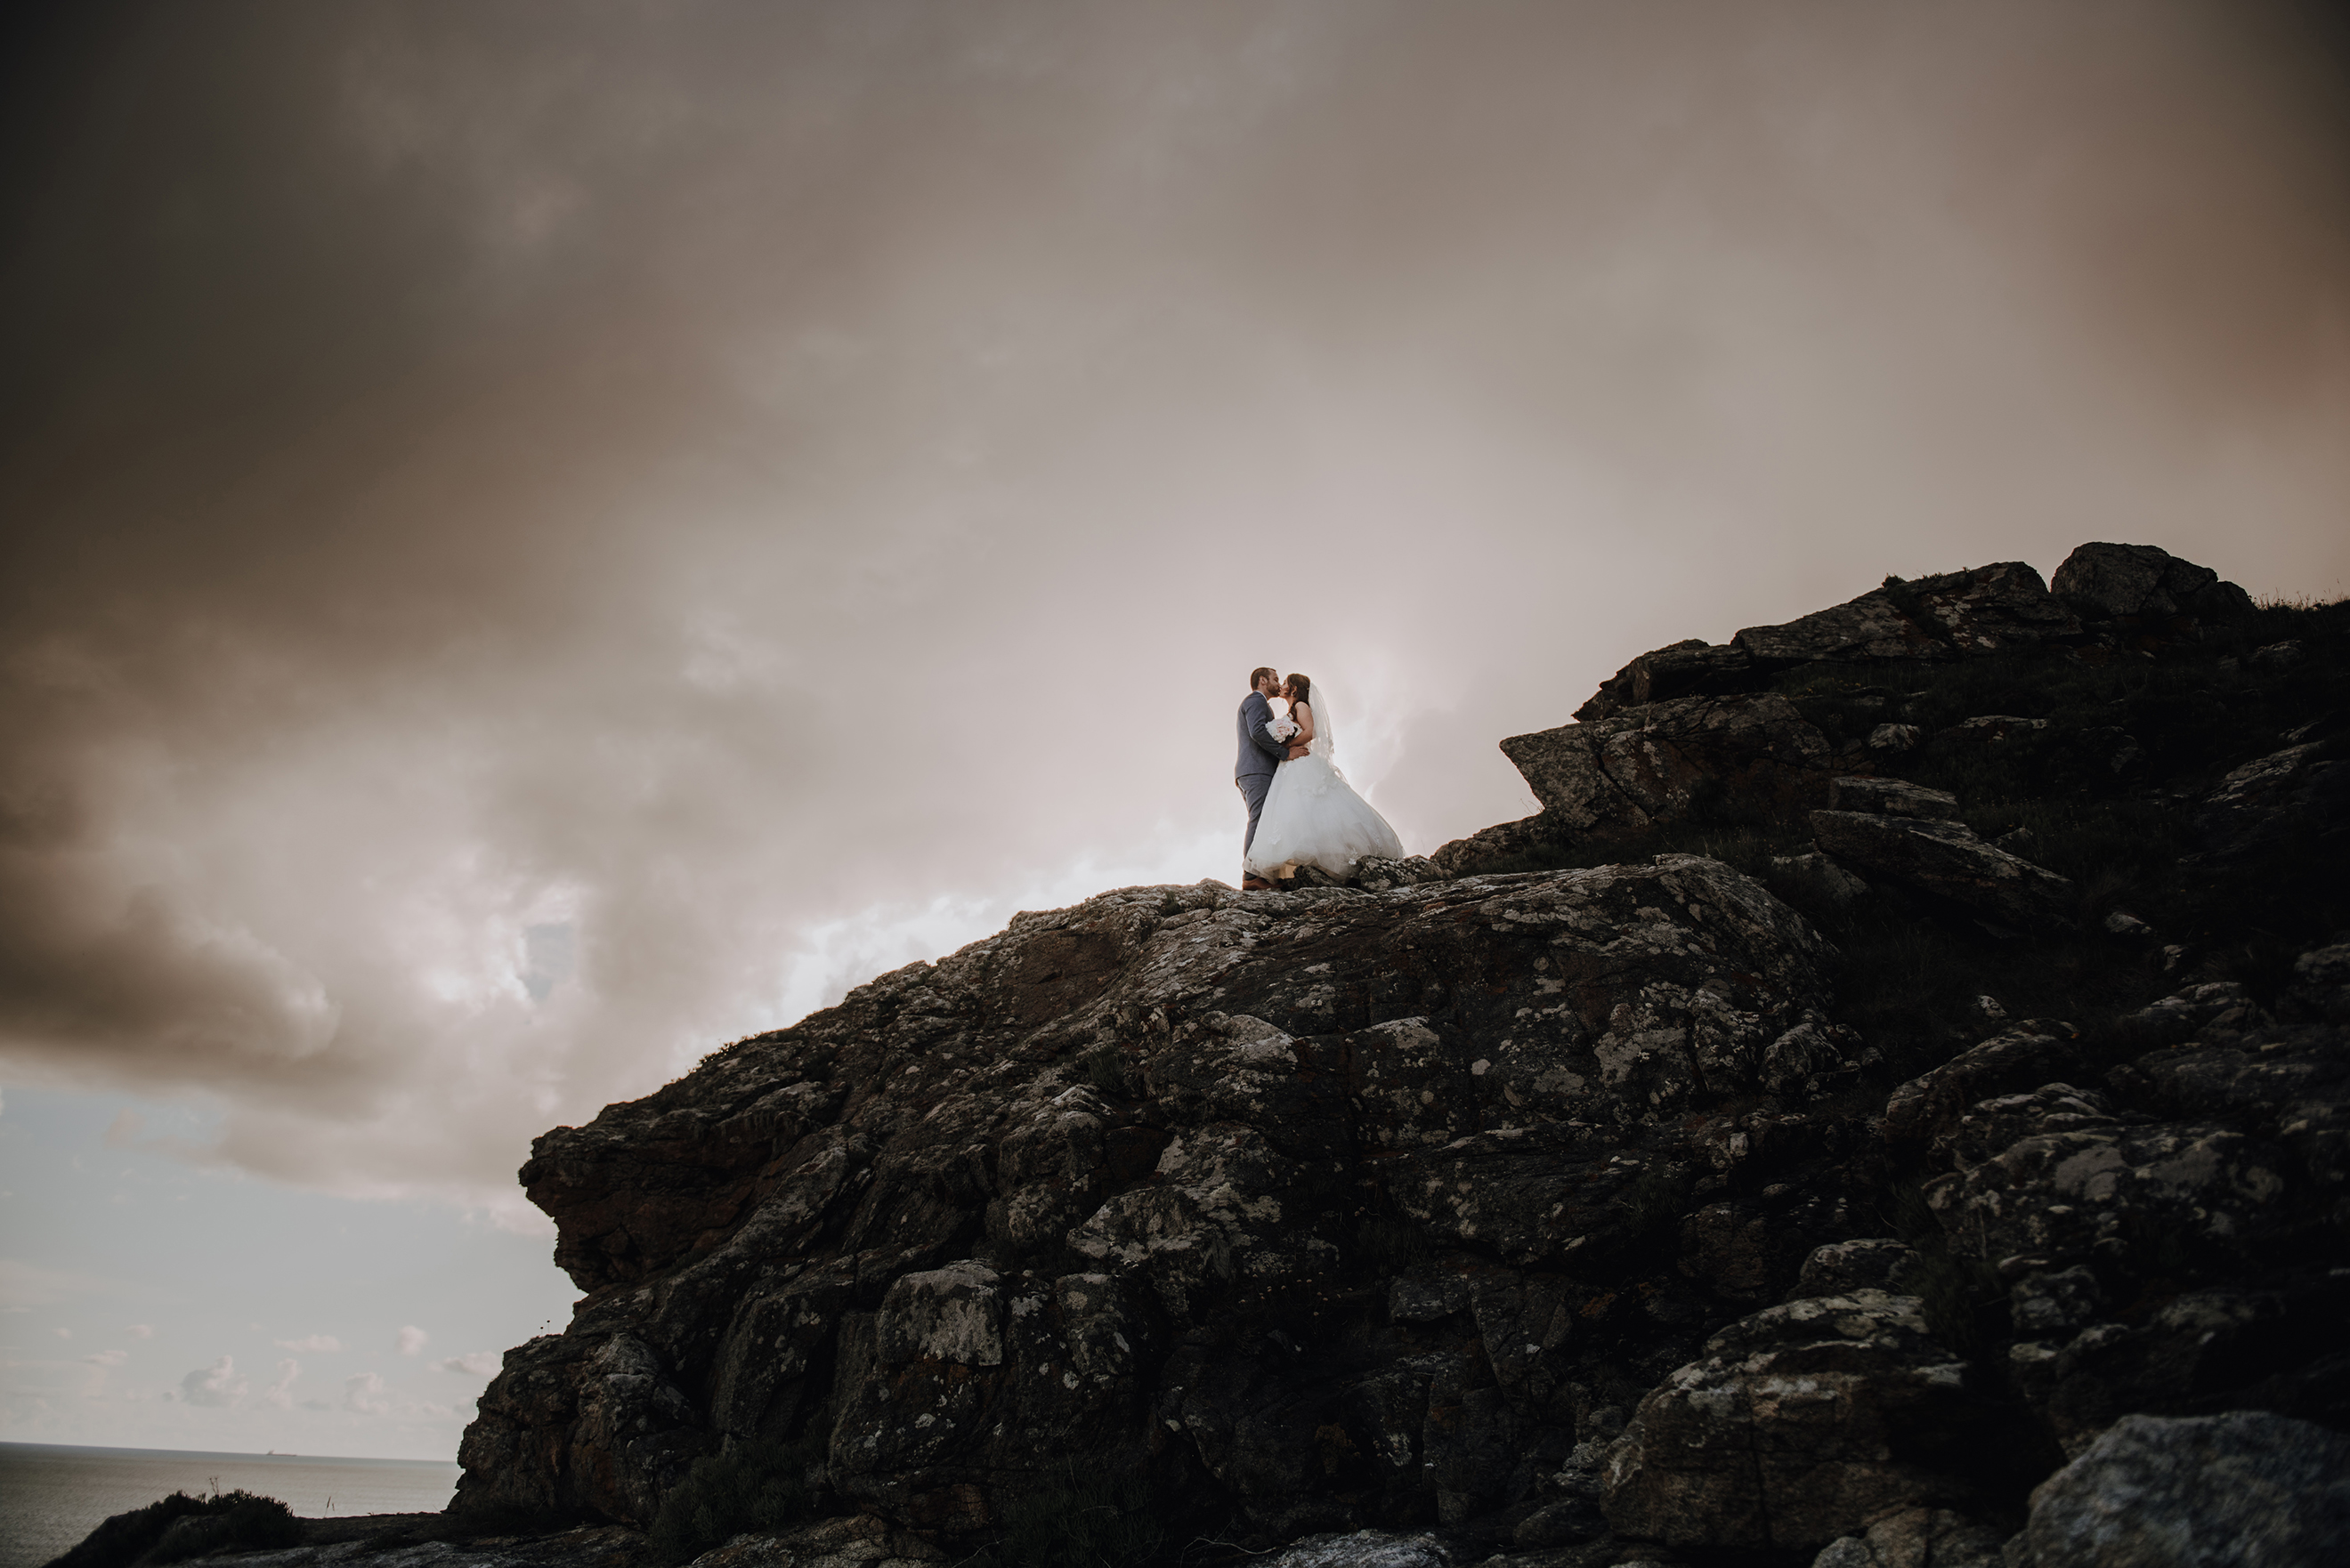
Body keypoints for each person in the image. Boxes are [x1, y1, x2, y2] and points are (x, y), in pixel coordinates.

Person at [1244, 673, 1405, 884]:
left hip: (1299, 762)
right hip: (1288, 766)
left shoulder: (1301, 705)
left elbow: (1311, 732)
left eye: (1285, 683)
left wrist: (1286, 747)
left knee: (1314, 807)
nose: (1281, 685)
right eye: (1279, 681)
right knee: (1294, 811)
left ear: (1293, 689)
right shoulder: (1290, 710)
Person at [1234, 667, 1299, 890]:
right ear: (1262, 680)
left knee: (1266, 821)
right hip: (1256, 770)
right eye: (1275, 679)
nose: (1278, 683)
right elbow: (1257, 732)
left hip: (1256, 770)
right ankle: (1251, 877)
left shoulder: (1262, 704)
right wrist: (1286, 753)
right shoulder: (1256, 700)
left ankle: (1265, 872)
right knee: (1259, 818)